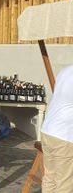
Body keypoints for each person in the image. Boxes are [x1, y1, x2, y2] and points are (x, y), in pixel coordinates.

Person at [40, 64, 73, 193]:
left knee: (50, 178)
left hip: (48, 130)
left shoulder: (66, 70)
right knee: (64, 184)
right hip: (64, 136)